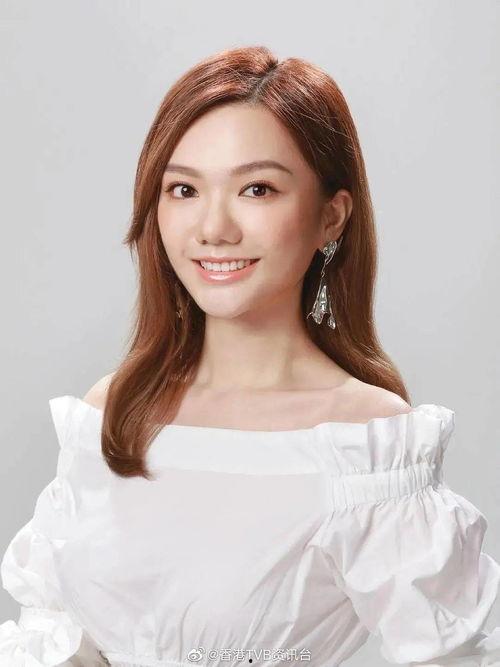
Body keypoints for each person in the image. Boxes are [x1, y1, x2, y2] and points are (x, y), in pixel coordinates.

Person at [1, 45, 499, 667]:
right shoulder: (114, 410)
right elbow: (55, 637)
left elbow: (449, 654)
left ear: (331, 217)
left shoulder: (367, 445)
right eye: (183, 189)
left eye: (256, 189)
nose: (213, 228)